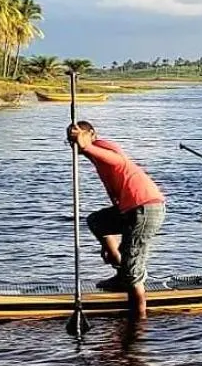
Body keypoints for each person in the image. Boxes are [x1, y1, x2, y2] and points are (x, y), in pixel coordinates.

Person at [68, 120, 166, 318]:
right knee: (97, 221)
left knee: (133, 273)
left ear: (92, 134)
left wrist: (85, 144)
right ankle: (120, 269)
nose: (73, 144)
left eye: (77, 138)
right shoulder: (94, 155)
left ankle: (138, 322)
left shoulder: (103, 148)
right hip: (130, 209)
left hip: (146, 208)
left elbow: (118, 161)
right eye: (70, 140)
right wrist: (109, 247)